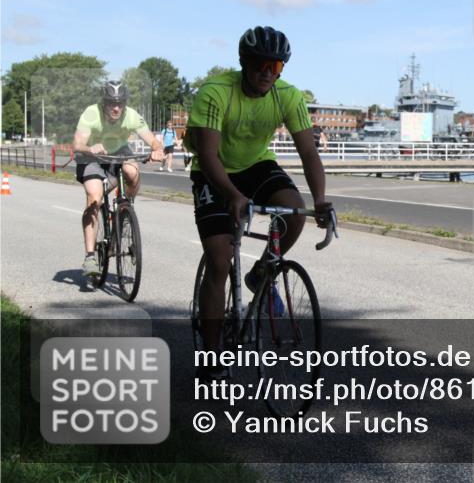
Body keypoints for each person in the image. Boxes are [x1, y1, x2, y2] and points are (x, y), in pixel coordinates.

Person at [186, 26, 331, 376]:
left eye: (276, 66)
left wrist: (320, 200)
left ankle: (260, 273)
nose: (267, 73)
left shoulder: (288, 96)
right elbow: (207, 154)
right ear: (243, 62)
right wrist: (233, 195)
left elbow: (308, 152)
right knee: (219, 259)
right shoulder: (215, 92)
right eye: (260, 65)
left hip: (256, 165)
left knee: (294, 213)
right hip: (213, 169)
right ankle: (212, 358)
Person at [73, 81, 164, 277]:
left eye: (120, 103)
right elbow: (78, 143)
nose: (116, 108)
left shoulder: (131, 116)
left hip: (118, 152)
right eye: (111, 103)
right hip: (92, 156)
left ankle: (124, 210)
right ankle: (90, 257)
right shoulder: (91, 113)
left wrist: (157, 150)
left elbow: (152, 140)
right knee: (94, 198)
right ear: (103, 102)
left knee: (132, 171)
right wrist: (90, 148)